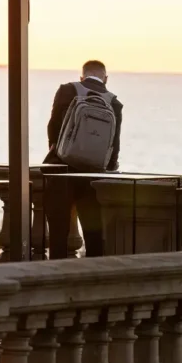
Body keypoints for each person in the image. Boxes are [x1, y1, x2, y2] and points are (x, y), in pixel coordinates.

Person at [43, 60, 124, 258]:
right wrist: (109, 167)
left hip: (62, 169)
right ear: (106, 78)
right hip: (92, 174)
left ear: (82, 77)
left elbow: (53, 126)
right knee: (93, 231)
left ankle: (56, 271)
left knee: (58, 229)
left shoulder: (67, 90)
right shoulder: (114, 102)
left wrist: (55, 149)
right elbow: (114, 143)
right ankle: (93, 275)